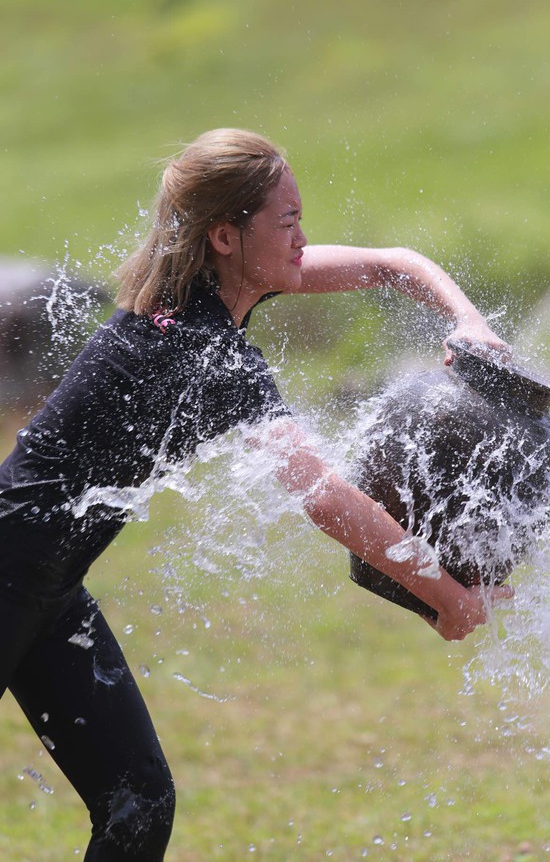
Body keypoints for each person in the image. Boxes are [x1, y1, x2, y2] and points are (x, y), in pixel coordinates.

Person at [0, 128, 513, 860]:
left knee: (138, 804)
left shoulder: (222, 295)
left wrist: (468, 323)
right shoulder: (198, 348)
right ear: (225, 237)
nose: (303, 238)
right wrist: (450, 597)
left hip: (50, 594)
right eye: (289, 222)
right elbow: (324, 497)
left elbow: (393, 265)